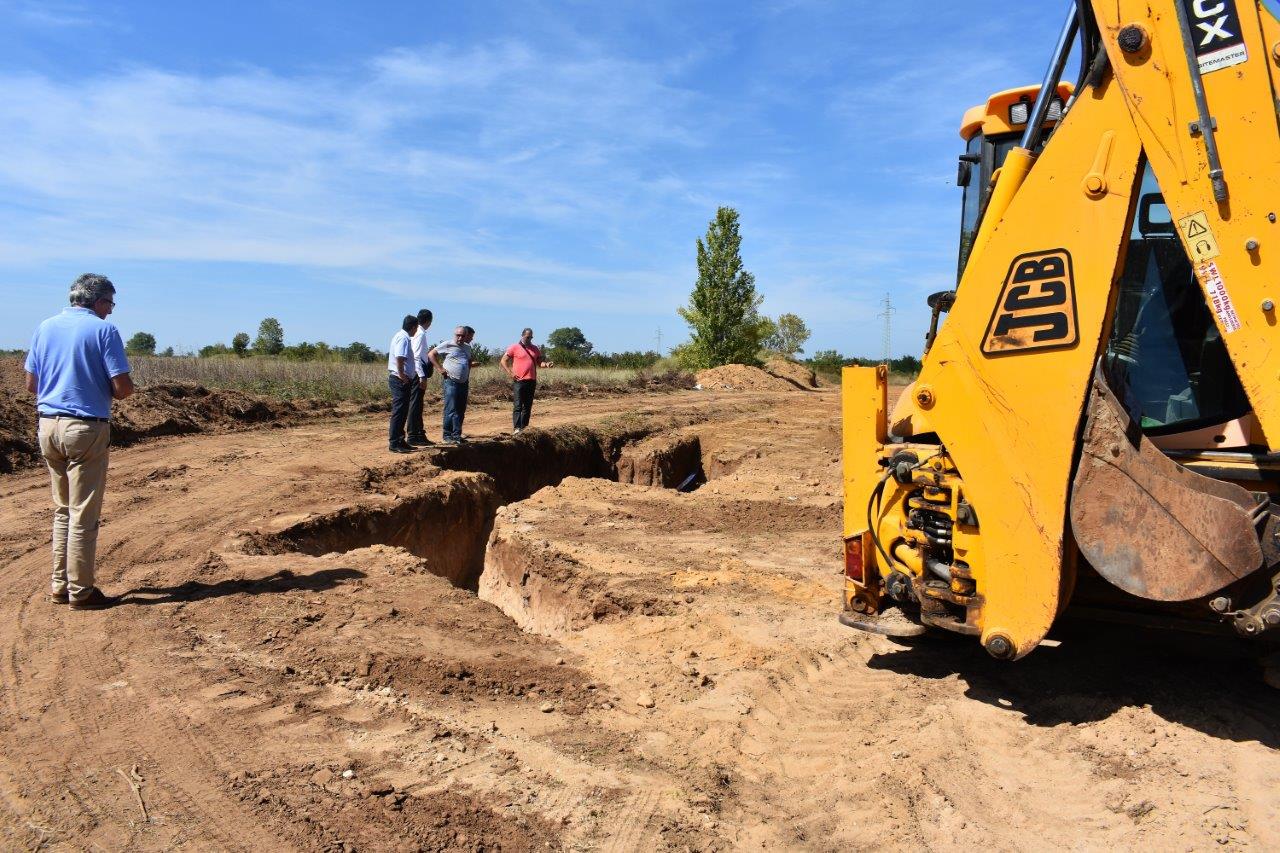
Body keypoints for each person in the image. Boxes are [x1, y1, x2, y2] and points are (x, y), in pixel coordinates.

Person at [24, 274, 134, 610]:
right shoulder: (104, 331)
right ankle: (81, 592)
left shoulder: (45, 327)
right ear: (98, 301)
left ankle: (60, 585)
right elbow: (123, 388)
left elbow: (31, 384)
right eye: (110, 304)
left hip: (47, 426)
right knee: (83, 514)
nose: (111, 312)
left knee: (62, 511)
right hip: (84, 428)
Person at [428, 326, 472, 445]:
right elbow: (431, 354)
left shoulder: (467, 347)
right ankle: (447, 435)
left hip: (463, 383)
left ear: (466, 336)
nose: (460, 338)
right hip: (451, 381)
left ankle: (456, 435)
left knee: (460, 410)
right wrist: (440, 368)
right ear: (454, 335)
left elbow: (468, 360)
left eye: (462, 336)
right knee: (450, 409)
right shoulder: (448, 344)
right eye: (458, 335)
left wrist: (467, 371)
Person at [387, 314, 419, 453]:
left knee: (403, 410)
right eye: (416, 327)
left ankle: (400, 440)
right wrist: (402, 375)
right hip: (399, 379)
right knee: (399, 411)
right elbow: (400, 357)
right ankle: (394, 443)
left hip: (402, 378)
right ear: (413, 327)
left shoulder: (402, 336)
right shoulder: (404, 338)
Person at [500, 328, 541, 434]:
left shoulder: (535, 348)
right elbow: (503, 360)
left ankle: (524, 427)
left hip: (531, 380)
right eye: (528, 337)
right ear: (522, 335)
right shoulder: (514, 347)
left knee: (527, 406)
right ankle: (517, 428)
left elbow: (540, 363)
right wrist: (510, 373)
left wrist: (547, 364)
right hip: (519, 381)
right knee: (518, 405)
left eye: (531, 337)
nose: (529, 339)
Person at [406, 308, 434, 446]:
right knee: (415, 404)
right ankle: (413, 435)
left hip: (415, 372)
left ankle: (418, 433)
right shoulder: (420, 334)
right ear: (429, 321)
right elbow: (417, 356)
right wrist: (422, 376)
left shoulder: (416, 332)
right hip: (418, 373)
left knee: (417, 403)